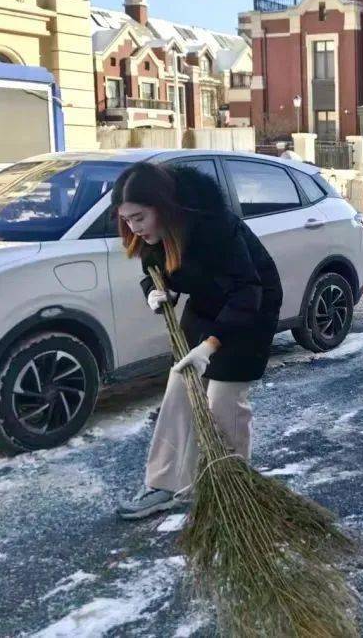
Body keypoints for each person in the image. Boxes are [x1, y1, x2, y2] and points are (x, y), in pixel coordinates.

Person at [112, 162, 282, 519]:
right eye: (126, 219)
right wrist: (155, 292)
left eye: (139, 217)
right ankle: (166, 485)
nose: (134, 228)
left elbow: (246, 291)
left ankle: (233, 485)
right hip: (206, 306)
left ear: (163, 206)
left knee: (222, 399)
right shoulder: (152, 235)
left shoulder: (215, 227)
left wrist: (211, 346)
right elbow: (156, 270)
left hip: (251, 307)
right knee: (180, 385)